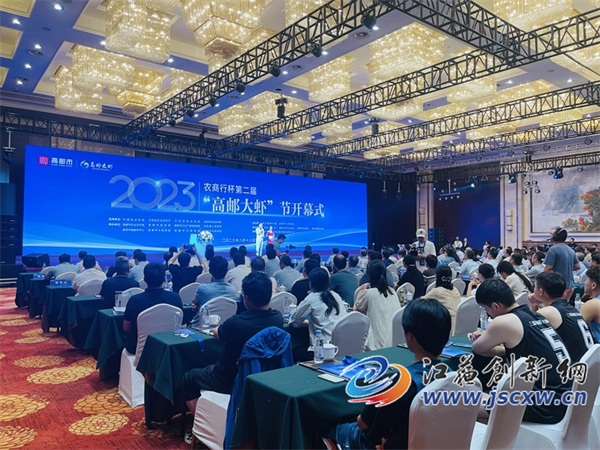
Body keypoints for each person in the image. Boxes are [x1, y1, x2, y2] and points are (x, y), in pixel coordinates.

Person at [325, 299, 451, 449]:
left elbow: (362, 424)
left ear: (410, 337)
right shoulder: (451, 376)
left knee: (324, 426)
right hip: (426, 442)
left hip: (372, 444)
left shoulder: (398, 382)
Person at [470, 279, 572, 424]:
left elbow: (478, 348)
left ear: (496, 306)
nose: (488, 314)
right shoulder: (536, 315)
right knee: (482, 416)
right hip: (564, 398)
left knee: (463, 407)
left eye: (486, 309)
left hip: (545, 403)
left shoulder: (504, 321)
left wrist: (491, 340)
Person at [181, 272, 283, 416]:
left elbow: (217, 334)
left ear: (246, 298)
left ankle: (202, 422)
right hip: (263, 376)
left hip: (229, 378)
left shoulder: (237, 323)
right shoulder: (278, 318)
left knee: (187, 379)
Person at [527, 271, 594, 362]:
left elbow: (529, 331)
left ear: (541, 291)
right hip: (588, 362)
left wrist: (533, 307)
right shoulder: (571, 308)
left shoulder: (548, 312)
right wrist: (534, 306)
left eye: (535, 287)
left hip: (572, 366)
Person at [123, 263, 182, 355]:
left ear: (145, 279)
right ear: (164, 279)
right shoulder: (175, 298)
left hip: (138, 349)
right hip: (169, 348)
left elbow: (126, 328)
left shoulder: (135, 300)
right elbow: (179, 323)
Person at [289, 268, 347, 350]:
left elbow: (294, 322)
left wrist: (307, 322)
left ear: (311, 283)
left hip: (324, 348)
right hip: (343, 342)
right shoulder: (335, 295)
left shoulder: (311, 299)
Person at [354, 260, 401, 350]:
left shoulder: (368, 293)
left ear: (368, 275)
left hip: (375, 346)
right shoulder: (392, 291)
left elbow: (356, 312)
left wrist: (361, 292)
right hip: (394, 343)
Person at [190, 256, 237, 327]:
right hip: (223, 327)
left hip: (200, 327)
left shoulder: (203, 288)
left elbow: (194, 302)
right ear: (227, 270)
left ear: (210, 271)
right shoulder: (232, 289)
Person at [420, 265, 462, 334]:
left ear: (436, 277)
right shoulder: (455, 289)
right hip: (459, 326)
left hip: (446, 327)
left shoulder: (436, 291)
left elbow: (421, 301)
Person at [544, 227, 580, 300]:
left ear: (555, 236)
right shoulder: (571, 250)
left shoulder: (553, 249)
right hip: (570, 286)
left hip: (558, 286)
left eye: (552, 234)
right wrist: (565, 268)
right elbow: (577, 266)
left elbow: (548, 268)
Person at [581, 265, 600, 343]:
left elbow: (575, 329)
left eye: (587, 280)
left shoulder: (593, 304)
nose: (585, 282)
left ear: (593, 285)